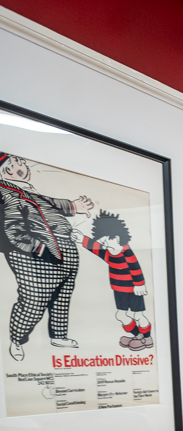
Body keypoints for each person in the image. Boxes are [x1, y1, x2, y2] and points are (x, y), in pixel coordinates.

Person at [0, 152, 94, 361]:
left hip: (62, 248)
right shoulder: (7, 193)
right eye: (18, 162)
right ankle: (17, 339)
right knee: (34, 300)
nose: (24, 164)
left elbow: (50, 202)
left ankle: (58, 336)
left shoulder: (26, 191)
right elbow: (14, 230)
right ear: (7, 170)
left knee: (62, 295)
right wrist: (39, 249)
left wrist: (73, 206)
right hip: (36, 254)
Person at [80, 211, 152, 350]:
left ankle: (147, 338)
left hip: (133, 290)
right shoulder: (109, 253)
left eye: (105, 239)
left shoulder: (126, 251)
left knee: (138, 315)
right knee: (120, 315)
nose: (103, 243)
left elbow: (135, 267)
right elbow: (97, 250)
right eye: (101, 240)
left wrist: (139, 284)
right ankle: (138, 336)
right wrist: (82, 239)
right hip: (119, 290)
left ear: (117, 238)